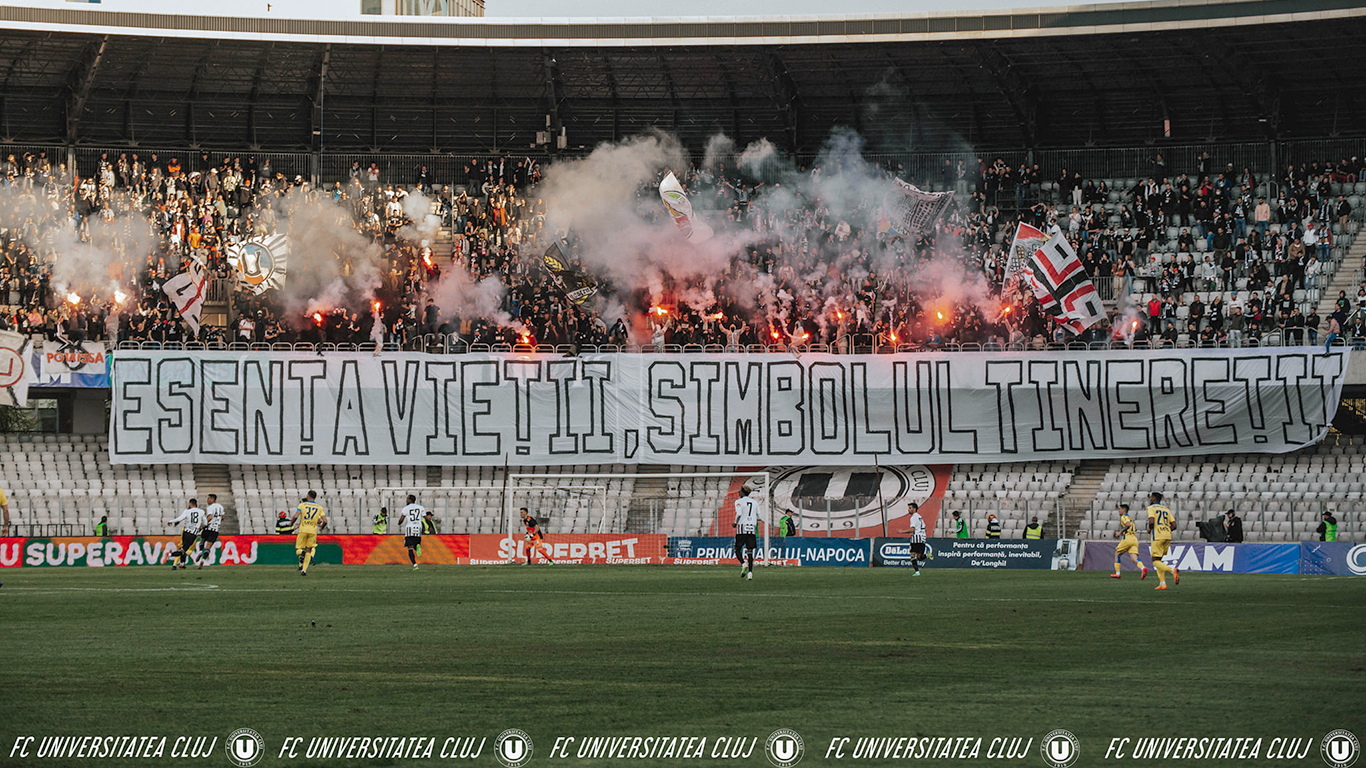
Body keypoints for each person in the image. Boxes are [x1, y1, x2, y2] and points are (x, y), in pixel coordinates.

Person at [1146, 492, 1180, 590]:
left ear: (1154, 498)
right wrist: (1166, 530)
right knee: (1158, 560)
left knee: (1155, 561)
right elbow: (1174, 525)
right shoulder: (1166, 509)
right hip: (1167, 535)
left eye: (1151, 497)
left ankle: (1172, 570)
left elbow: (1151, 521)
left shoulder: (1151, 508)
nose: (1150, 499)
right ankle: (1162, 583)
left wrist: (1150, 529)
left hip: (1157, 536)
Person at [291, 490, 328, 576]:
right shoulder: (319, 507)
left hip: (303, 529)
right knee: (309, 550)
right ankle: (304, 570)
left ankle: (301, 554)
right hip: (313, 531)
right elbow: (325, 521)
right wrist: (322, 526)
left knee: (299, 549)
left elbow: (296, 516)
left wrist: (291, 523)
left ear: (308, 496)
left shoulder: (302, 505)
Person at [166, 498, 206, 570]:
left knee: (183, 548)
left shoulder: (187, 511)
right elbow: (205, 523)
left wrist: (171, 521)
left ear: (190, 504)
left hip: (185, 532)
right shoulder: (201, 512)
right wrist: (200, 526)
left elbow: (179, 518)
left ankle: (182, 563)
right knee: (183, 550)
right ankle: (171, 554)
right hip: (193, 534)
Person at [1111, 504, 1148, 580]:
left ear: (1124, 510)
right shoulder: (1130, 518)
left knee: (1117, 554)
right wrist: (1123, 532)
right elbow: (1135, 528)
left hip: (1128, 538)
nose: (1119, 510)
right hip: (1134, 539)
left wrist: (1120, 532)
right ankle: (1143, 568)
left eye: (1120, 509)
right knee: (1134, 558)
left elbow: (1127, 525)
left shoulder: (1124, 517)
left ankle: (1117, 573)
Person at [734, 486, 761, 580]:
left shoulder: (738, 502)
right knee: (750, 552)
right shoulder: (755, 502)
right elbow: (760, 517)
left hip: (742, 529)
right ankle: (750, 573)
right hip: (752, 529)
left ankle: (743, 563)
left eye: (739, 491)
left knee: (737, 549)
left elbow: (739, 514)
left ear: (742, 492)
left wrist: (735, 522)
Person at [896, 501, 929, 576]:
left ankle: (917, 572)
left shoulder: (913, 518)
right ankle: (926, 555)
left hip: (916, 539)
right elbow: (924, 527)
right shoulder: (920, 517)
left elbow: (912, 529)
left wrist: (902, 532)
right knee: (919, 557)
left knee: (912, 555)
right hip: (922, 538)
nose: (908, 510)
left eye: (910, 508)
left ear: (914, 509)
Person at [397, 495, 426, 570]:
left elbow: (401, 519)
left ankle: (415, 565)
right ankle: (417, 546)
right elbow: (425, 517)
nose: (406, 501)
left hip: (409, 529)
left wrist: (399, 523)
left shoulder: (406, 508)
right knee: (416, 542)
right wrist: (429, 525)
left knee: (410, 548)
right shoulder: (420, 507)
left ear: (410, 500)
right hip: (418, 529)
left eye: (407, 499)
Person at [199, 495, 224, 569]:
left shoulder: (210, 507)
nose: (207, 500)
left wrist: (202, 525)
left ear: (212, 499)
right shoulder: (220, 507)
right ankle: (203, 560)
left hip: (208, 527)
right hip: (215, 529)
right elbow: (223, 517)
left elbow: (210, 517)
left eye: (208, 498)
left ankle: (200, 552)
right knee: (208, 547)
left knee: (202, 540)